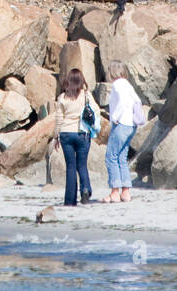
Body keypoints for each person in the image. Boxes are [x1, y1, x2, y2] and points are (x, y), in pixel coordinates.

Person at [53, 68, 95, 205]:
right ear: (81, 80)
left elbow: (59, 119)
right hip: (82, 133)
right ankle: (85, 189)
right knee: (82, 165)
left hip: (66, 133)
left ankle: (70, 200)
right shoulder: (86, 96)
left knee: (71, 166)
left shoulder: (62, 98)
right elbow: (96, 112)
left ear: (68, 81)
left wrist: (55, 137)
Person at [103, 61, 140, 203]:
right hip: (132, 124)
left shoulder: (118, 84)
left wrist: (115, 117)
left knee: (111, 156)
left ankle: (114, 192)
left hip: (122, 123)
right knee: (121, 158)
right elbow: (136, 101)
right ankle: (126, 191)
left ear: (113, 72)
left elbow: (123, 102)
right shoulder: (128, 85)